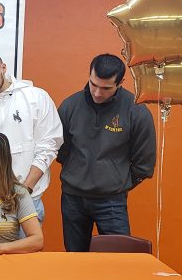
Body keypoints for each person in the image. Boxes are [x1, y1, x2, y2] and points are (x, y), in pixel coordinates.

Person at [57, 53, 155, 252]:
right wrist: (77, 171)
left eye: (106, 88)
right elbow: (60, 149)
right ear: (89, 75)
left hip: (112, 201)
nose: (97, 93)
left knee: (118, 260)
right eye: (93, 84)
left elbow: (144, 162)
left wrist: (116, 181)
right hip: (73, 198)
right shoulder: (70, 106)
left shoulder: (136, 111)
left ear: (121, 83)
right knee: (75, 259)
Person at [0, 46, 62, 222]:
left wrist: (26, 190)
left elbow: (48, 146)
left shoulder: (36, 98)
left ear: (3, 68)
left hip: (29, 201)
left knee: (29, 241)